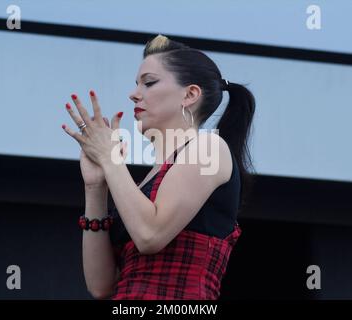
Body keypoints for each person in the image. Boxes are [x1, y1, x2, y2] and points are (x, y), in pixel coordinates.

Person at [62, 34, 255, 300]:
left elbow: (150, 235)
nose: (133, 94)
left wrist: (111, 159)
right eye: (136, 84)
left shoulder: (209, 149)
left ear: (190, 94)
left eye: (149, 83)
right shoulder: (148, 180)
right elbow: (101, 286)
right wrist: (95, 187)